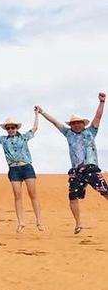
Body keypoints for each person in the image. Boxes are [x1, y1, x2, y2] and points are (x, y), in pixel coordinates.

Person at [37, 92, 108, 234]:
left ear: (83, 124)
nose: (76, 125)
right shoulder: (68, 133)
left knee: (105, 192)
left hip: (91, 169)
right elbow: (55, 122)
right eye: (73, 123)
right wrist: (42, 112)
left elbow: (98, 117)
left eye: (78, 123)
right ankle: (78, 224)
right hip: (76, 171)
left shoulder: (91, 132)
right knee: (72, 196)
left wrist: (102, 102)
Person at [0, 110, 44, 233]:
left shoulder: (23, 137)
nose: (10, 130)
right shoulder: (3, 139)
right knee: (17, 195)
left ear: (16, 128)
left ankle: (39, 221)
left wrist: (36, 114)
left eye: (12, 127)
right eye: (8, 128)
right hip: (13, 169)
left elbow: (35, 128)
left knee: (33, 194)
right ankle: (21, 222)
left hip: (26, 166)